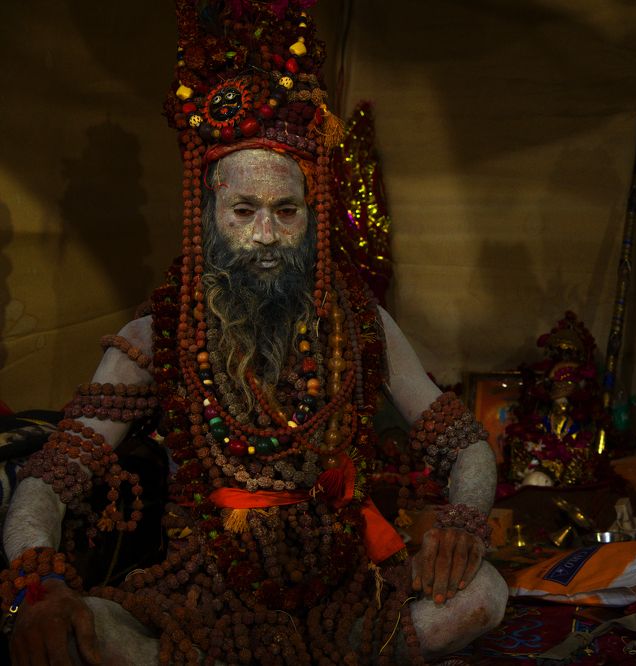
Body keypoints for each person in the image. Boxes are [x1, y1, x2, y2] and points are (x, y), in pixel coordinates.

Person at [0, 2, 507, 664]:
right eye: (243, 211)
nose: (266, 235)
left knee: (484, 595)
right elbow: (51, 476)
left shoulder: (356, 323)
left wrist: (464, 523)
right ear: (208, 213)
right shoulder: (160, 335)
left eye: (285, 211)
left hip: (343, 598)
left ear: (311, 216)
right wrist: (40, 582)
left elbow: (466, 445)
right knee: (74, 631)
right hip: (198, 608)